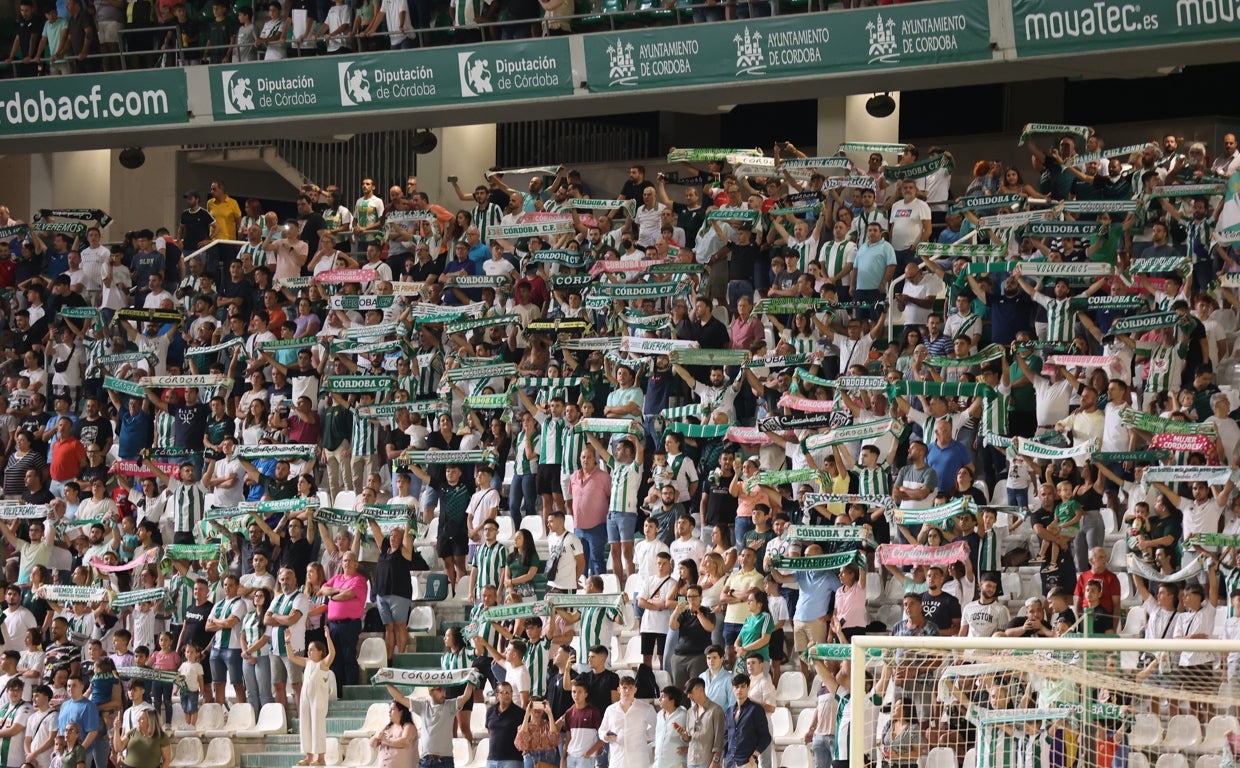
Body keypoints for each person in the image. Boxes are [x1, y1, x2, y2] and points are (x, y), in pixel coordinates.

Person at [320, 551, 367, 687]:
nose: (347, 563)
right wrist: (339, 591)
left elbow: (349, 594)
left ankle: (351, 689)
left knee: (349, 658)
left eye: (350, 560)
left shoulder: (359, 580)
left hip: (349, 624)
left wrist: (333, 595)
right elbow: (323, 589)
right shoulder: (337, 578)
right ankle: (339, 690)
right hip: (333, 625)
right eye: (345, 560)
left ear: (356, 564)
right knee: (336, 659)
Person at [289, 633, 336, 766]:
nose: (309, 652)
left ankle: (321, 758)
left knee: (318, 727)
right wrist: (288, 642)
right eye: (308, 650)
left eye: (312, 650)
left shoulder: (323, 664)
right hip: (305, 699)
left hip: (318, 701)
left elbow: (332, 654)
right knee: (305, 726)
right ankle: (309, 756)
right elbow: (291, 656)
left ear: (320, 652)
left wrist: (327, 637)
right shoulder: (308, 662)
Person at [599, 675, 656, 767]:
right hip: (617, 760)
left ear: (635, 690)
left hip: (638, 761)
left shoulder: (647, 709)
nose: (627, 691)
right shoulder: (610, 710)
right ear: (618, 690)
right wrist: (605, 736)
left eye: (630, 688)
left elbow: (653, 733)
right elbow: (601, 730)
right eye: (624, 688)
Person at [722, 673, 771, 768]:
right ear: (733, 688)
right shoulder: (729, 711)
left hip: (747, 761)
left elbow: (766, 737)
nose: (739, 690)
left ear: (748, 687)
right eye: (736, 687)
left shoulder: (755, 709)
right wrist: (724, 757)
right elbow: (726, 737)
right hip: (730, 762)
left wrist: (754, 755)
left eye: (743, 686)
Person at [369, 698, 418, 768]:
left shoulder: (409, 727)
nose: (389, 711)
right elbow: (372, 744)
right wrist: (376, 736)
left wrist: (385, 741)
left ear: (401, 712)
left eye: (392, 709)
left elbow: (404, 742)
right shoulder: (387, 727)